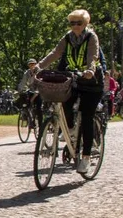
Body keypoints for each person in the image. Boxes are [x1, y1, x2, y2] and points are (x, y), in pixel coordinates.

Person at [39, 9, 104, 174]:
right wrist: (39, 66)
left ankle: (86, 157)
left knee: (87, 116)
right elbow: (55, 53)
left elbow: (93, 55)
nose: (75, 26)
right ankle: (71, 131)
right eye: (72, 23)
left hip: (92, 80)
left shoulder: (91, 37)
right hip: (74, 78)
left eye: (78, 23)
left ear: (85, 24)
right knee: (64, 101)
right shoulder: (67, 38)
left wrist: (90, 70)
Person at [16, 58, 43, 129]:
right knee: (26, 103)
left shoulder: (39, 72)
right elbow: (23, 82)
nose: (32, 65)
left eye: (33, 64)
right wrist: (19, 90)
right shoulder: (27, 73)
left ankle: (41, 127)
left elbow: (41, 83)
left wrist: (37, 92)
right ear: (28, 65)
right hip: (31, 90)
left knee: (39, 109)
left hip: (39, 90)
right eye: (30, 64)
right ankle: (30, 120)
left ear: (36, 64)